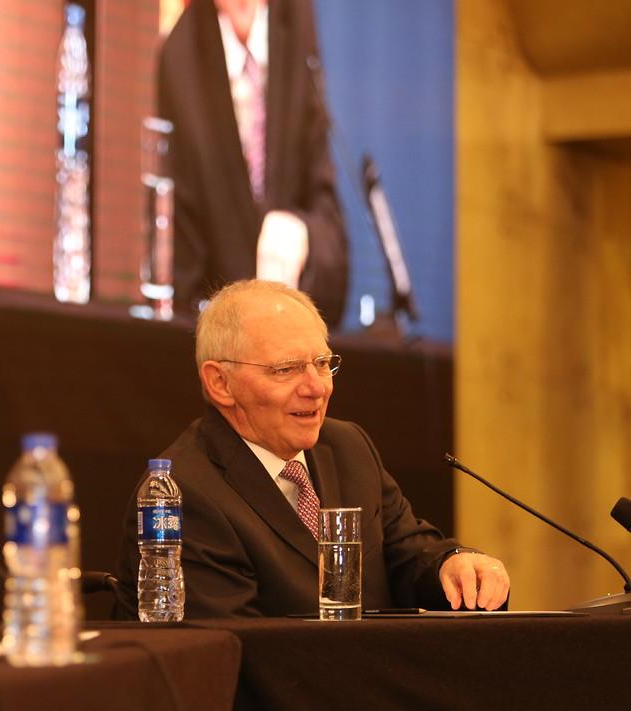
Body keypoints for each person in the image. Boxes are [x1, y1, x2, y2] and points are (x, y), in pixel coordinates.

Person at [114, 280, 509, 617]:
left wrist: (452, 564)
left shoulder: (348, 447)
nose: (317, 388)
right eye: (285, 369)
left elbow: (406, 551)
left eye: (321, 363)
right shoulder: (185, 493)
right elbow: (233, 650)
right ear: (220, 383)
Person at [159, 0, 348, 325]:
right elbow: (183, 259)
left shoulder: (296, 25)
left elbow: (331, 231)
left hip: (292, 326)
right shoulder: (179, 57)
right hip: (223, 333)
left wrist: (301, 233)